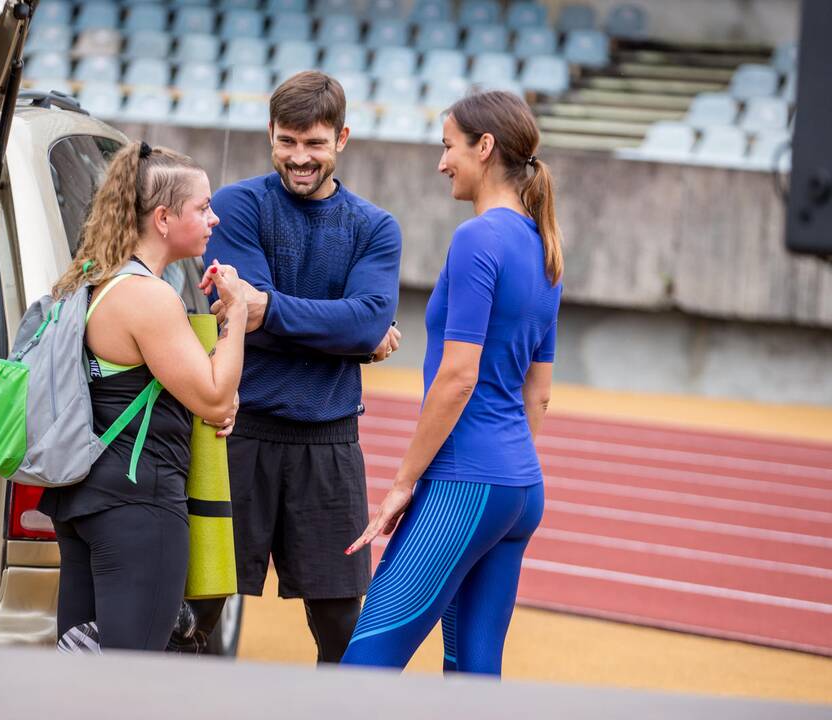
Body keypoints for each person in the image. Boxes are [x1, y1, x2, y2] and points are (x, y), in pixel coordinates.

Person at [183, 71, 403, 663]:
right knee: (196, 613)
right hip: (237, 434)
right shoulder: (236, 207)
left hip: (330, 444)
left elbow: (351, 318)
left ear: (343, 139)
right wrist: (353, 338)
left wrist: (270, 309)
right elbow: (348, 325)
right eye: (287, 142)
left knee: (340, 626)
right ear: (271, 137)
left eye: (314, 144)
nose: (299, 158)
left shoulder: (375, 228)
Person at [341, 90, 563, 674]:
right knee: (471, 678)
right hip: (519, 488)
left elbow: (457, 377)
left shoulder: (477, 240)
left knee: (364, 670)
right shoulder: (545, 249)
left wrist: (401, 485)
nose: (442, 163)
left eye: (448, 146)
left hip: (465, 482)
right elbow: (537, 394)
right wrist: (504, 470)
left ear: (484, 148)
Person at [37, 141, 247, 652]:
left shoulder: (97, 280)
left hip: (85, 500)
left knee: (82, 670)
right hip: (139, 507)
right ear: (163, 218)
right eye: (202, 208)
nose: (213, 219)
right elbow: (216, 400)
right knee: (131, 681)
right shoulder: (148, 297)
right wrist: (237, 314)